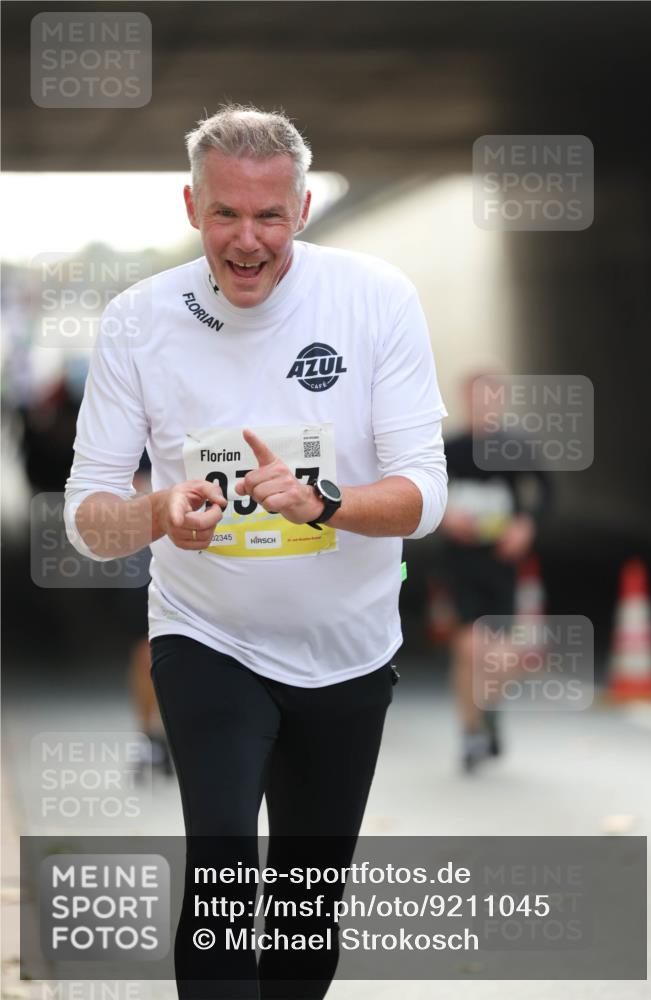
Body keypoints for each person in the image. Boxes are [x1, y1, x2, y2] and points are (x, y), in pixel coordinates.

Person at [64, 105, 447, 998]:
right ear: (190, 206)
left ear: (303, 211)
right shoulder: (138, 320)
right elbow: (88, 517)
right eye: (225, 214)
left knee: (306, 909)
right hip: (207, 635)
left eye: (268, 216)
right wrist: (160, 510)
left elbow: (424, 495)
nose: (246, 240)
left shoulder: (373, 297)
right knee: (226, 862)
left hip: (348, 650)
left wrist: (330, 502)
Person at [438, 371, 552, 772]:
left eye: (492, 398)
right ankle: (470, 735)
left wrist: (526, 526)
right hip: (461, 563)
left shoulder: (516, 447)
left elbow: (546, 491)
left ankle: (489, 709)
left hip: (502, 563)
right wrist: (446, 517)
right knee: (468, 648)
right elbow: (427, 491)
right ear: (466, 400)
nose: (485, 405)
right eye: (477, 398)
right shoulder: (449, 448)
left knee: (501, 657)